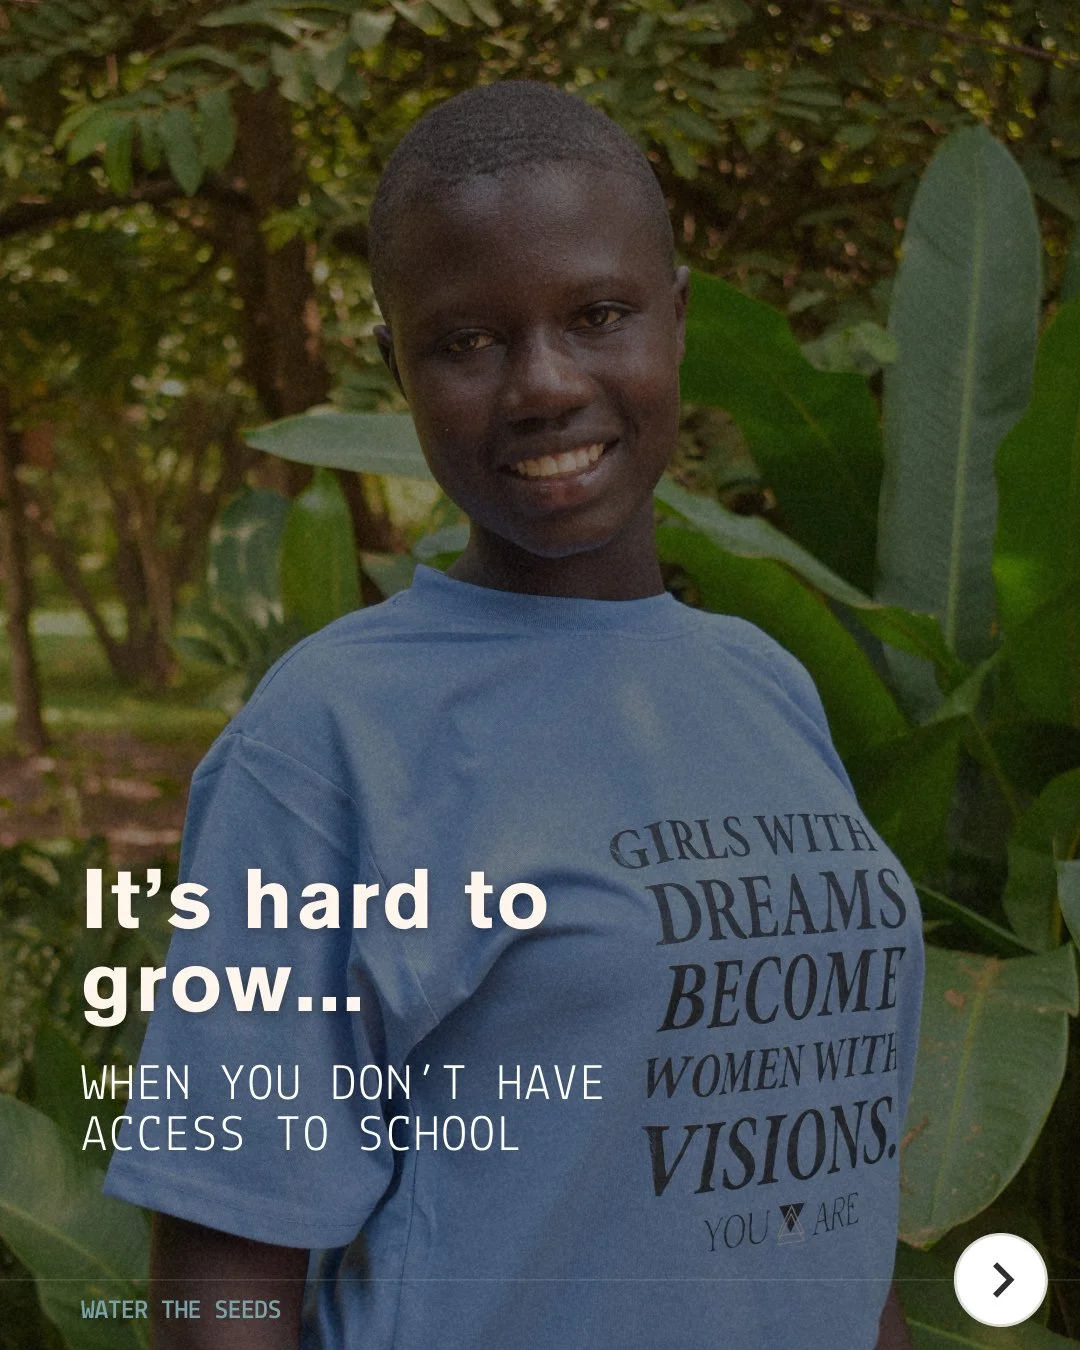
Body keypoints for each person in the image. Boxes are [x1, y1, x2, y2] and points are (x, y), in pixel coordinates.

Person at [104, 81, 922, 1349]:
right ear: (401, 371)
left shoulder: (765, 685)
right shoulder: (327, 740)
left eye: (598, 316)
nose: (543, 383)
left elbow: (831, 1216)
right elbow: (227, 1257)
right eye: (468, 340)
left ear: (677, 321)